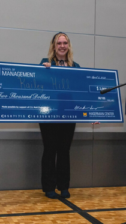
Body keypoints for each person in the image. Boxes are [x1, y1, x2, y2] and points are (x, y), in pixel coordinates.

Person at [39, 32, 79, 199]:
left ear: (68, 46)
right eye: (59, 43)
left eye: (65, 43)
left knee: (64, 150)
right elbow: (39, 85)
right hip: (49, 115)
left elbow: (81, 91)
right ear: (53, 46)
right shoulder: (44, 63)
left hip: (68, 115)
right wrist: (46, 72)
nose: (62, 46)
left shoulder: (75, 66)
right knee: (50, 150)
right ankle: (49, 187)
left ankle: (63, 186)